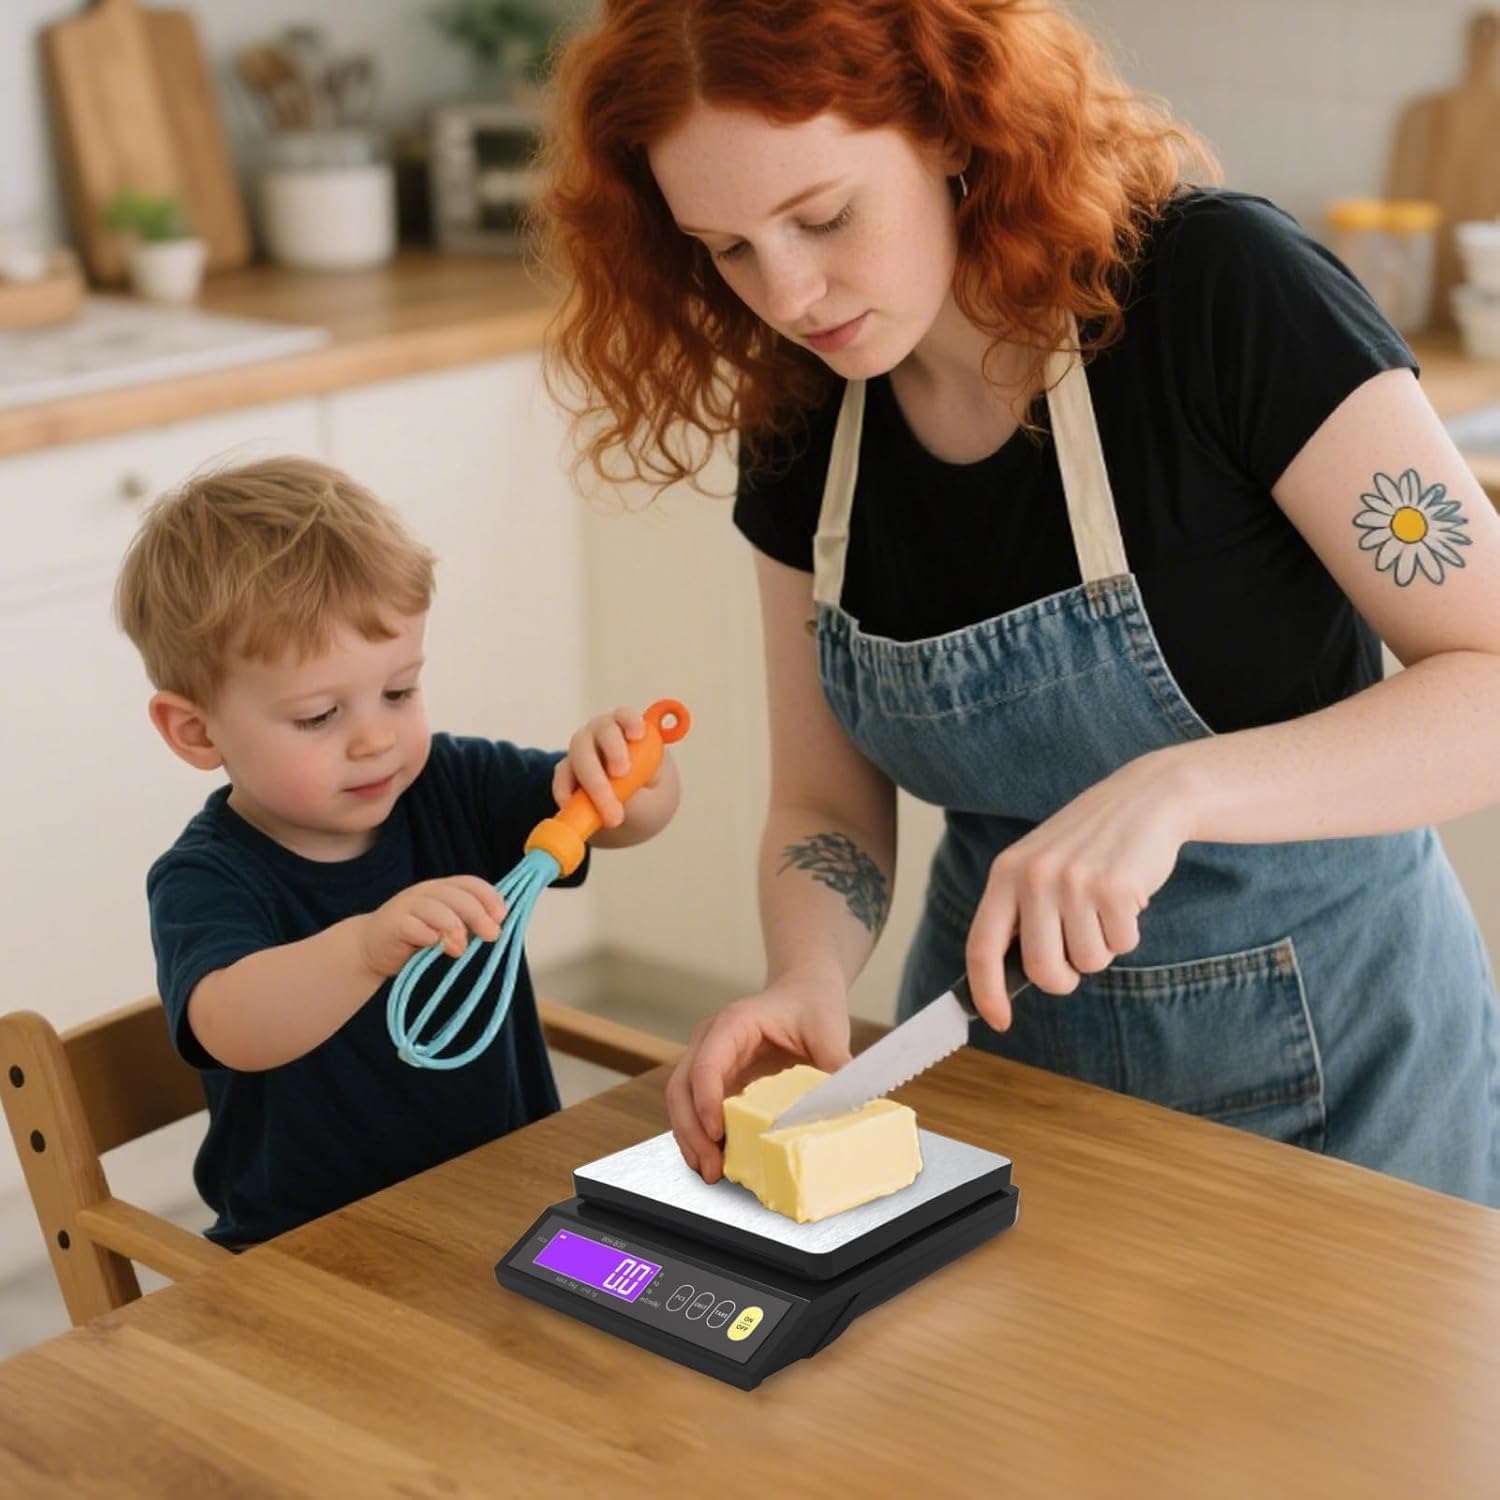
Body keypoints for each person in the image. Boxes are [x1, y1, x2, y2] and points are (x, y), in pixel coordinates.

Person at [535, 0, 1500, 1205]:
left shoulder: (1218, 293)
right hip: (999, 1066)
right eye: (728, 249)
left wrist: (1178, 787)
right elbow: (825, 798)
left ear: (950, 127)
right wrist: (805, 978)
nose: (785, 292)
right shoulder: (801, 411)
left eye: (823, 216)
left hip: (1344, 1074)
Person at [115, 456, 681, 1246]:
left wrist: (626, 769)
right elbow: (228, 1025)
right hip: (311, 1253)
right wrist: (364, 949)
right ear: (197, 731)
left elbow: (624, 819)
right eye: (319, 716)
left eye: (399, 691)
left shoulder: (451, 782)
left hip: (504, 1208)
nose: (376, 738)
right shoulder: (208, 876)